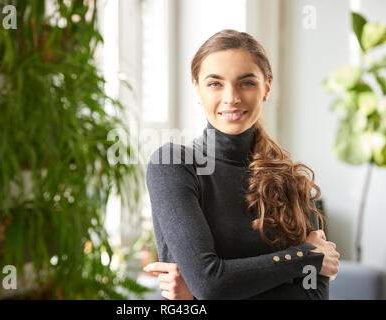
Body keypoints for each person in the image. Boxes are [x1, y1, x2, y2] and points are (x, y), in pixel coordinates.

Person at [144, 29, 340, 300]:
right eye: (215, 83)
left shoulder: (291, 179)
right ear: (197, 89)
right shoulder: (174, 164)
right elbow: (210, 284)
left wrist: (214, 287)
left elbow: (313, 295)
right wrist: (304, 257)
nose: (232, 97)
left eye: (246, 83)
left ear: (267, 87)